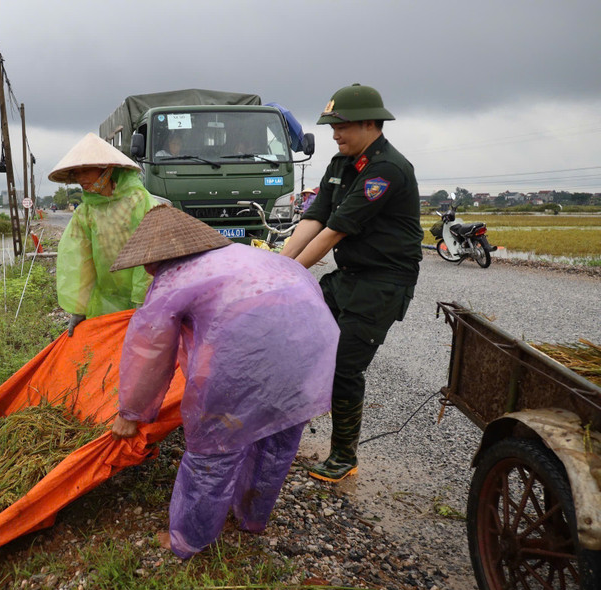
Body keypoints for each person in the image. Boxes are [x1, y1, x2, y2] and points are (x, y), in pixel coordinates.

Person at [109, 204, 339, 559]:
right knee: (276, 442)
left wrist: (131, 412)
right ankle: (251, 518)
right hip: (309, 354)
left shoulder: (173, 280)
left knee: (214, 450)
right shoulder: (248, 256)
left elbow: (149, 353)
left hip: (248, 362)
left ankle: (188, 540)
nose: (146, 268)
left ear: (155, 259)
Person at [281, 83, 422, 483]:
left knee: (344, 367)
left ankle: (344, 456)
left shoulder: (387, 170)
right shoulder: (341, 163)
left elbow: (335, 232)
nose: (334, 135)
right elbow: (314, 218)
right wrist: (278, 264)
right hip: (349, 277)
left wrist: (290, 274)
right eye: (331, 128)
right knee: (298, 331)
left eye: (340, 127)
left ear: (368, 123)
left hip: (383, 284)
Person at [49, 132, 156, 336]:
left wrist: (142, 300)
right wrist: (79, 308)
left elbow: (150, 251)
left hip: (143, 300)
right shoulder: (86, 211)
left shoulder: (138, 202)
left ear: (106, 169)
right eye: (76, 173)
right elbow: (80, 261)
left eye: (85, 170)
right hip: (105, 301)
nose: (80, 179)